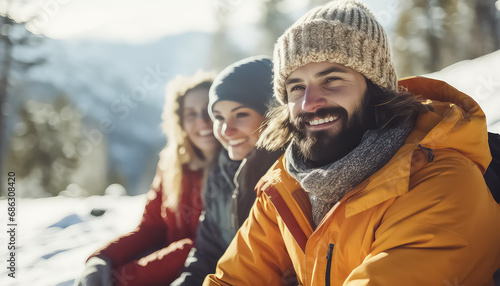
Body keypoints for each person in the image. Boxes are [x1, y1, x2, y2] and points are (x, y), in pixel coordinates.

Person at [204, 1, 500, 285]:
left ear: (376, 89)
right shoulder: (285, 184)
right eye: (296, 87)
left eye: (331, 79)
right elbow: (233, 279)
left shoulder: (440, 181)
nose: (310, 103)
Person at [74, 71, 219, 286]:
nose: (202, 121)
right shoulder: (172, 166)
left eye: (208, 110)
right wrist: (102, 258)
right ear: (180, 122)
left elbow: (203, 249)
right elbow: (151, 228)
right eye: (191, 114)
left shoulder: (236, 169)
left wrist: (120, 279)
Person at [172, 56, 284, 285]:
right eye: (219, 117)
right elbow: (207, 254)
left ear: (273, 115)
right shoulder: (221, 175)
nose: (226, 130)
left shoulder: (289, 177)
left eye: (241, 114)